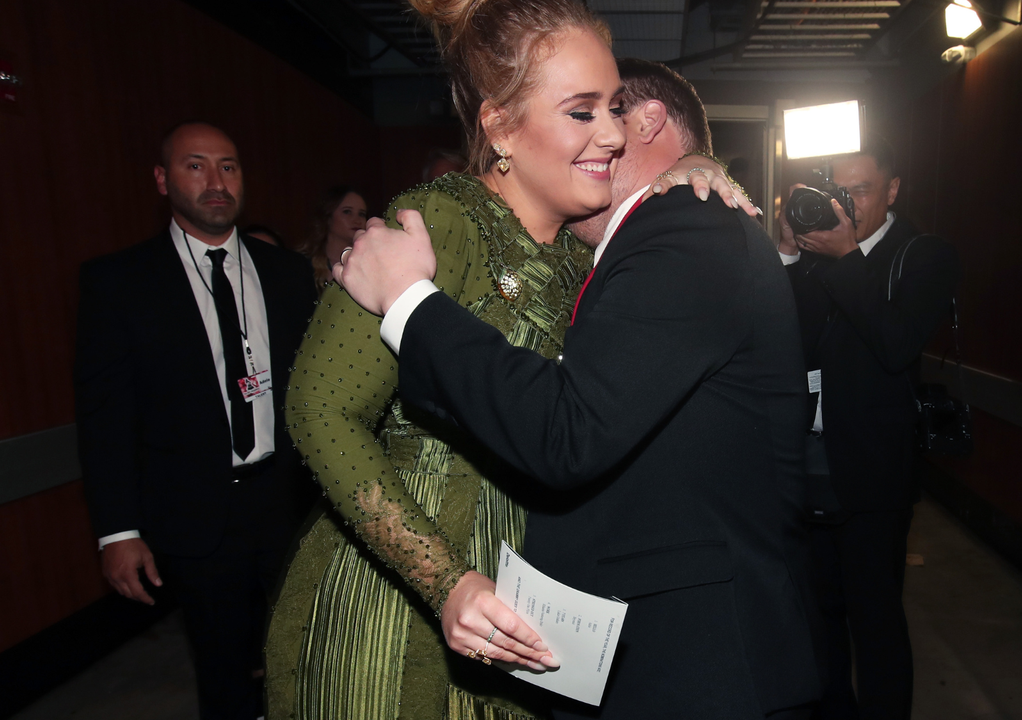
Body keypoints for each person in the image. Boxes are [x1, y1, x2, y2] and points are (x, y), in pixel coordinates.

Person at [263, 3, 744, 719]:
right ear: (500, 127)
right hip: (405, 611)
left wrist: (694, 168)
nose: (612, 134)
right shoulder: (436, 219)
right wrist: (443, 581)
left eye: (614, 108)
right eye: (582, 112)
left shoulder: (582, 249)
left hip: (529, 606)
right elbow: (316, 409)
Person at [332, 57, 819, 720]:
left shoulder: (686, 228)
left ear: (645, 122)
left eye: (590, 115)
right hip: (654, 650)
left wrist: (407, 301)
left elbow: (566, 432)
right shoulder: (649, 234)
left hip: (693, 666)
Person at [74, 121, 317, 720]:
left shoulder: (284, 273)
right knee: (224, 672)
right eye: (196, 165)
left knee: (309, 657)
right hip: (196, 514)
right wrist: (117, 531)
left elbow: (316, 392)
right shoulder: (120, 283)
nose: (216, 181)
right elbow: (105, 418)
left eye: (229, 167)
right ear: (162, 179)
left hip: (287, 503)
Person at [775, 138, 960, 720]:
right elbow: (785, 340)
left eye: (862, 190)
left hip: (874, 472)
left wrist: (846, 255)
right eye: (840, 191)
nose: (849, 204)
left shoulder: (924, 254)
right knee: (819, 614)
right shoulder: (815, 252)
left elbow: (895, 344)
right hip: (807, 459)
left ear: (893, 190)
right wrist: (785, 253)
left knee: (875, 620)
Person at [294, 184, 368, 288]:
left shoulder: (370, 262)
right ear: (328, 217)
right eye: (347, 212)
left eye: (361, 214)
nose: (357, 220)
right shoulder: (302, 264)